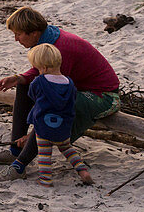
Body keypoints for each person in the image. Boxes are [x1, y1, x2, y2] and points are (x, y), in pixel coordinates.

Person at [0, 6, 119, 181]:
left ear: (34, 33)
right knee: (24, 85)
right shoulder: (48, 39)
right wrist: (19, 78)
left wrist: (33, 134)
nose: (16, 39)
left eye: (18, 34)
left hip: (103, 96)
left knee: (50, 113)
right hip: (76, 86)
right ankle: (15, 151)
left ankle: (19, 166)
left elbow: (53, 102)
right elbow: (43, 72)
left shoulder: (62, 47)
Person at [23, 43, 94, 186]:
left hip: (44, 126)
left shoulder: (39, 81)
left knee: (44, 153)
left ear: (43, 68)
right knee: (67, 149)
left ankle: (45, 179)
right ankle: (82, 170)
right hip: (64, 126)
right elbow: (73, 99)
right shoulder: (69, 83)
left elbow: (32, 95)